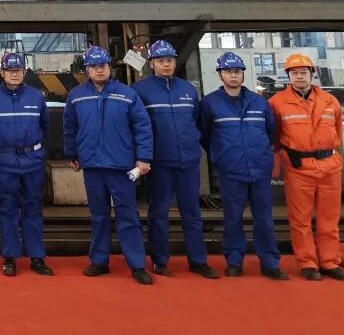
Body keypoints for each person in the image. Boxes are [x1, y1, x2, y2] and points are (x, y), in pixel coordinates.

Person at [63, 46, 155, 285]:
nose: (99, 70)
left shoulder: (127, 94)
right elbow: (70, 128)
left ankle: (137, 264)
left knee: (128, 215)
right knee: (99, 216)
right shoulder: (76, 96)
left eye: (103, 65)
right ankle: (99, 261)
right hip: (93, 166)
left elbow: (142, 127)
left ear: (109, 67)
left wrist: (144, 158)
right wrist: (72, 153)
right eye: (94, 66)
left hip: (122, 167)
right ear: (87, 69)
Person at [132, 40, 218, 279]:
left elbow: (197, 122)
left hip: (189, 163)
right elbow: (137, 126)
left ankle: (198, 261)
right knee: (158, 213)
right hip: (159, 164)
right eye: (161, 61)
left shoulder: (188, 90)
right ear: (151, 64)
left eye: (169, 60)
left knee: (192, 214)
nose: (166, 64)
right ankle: (160, 261)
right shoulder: (140, 91)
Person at [197, 52, 288, 280]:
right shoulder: (209, 103)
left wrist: (259, 152)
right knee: (233, 217)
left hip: (259, 169)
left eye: (237, 71)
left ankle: (270, 263)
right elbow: (204, 136)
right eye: (228, 72)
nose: (233, 76)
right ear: (220, 75)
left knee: (264, 218)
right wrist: (221, 155)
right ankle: (234, 261)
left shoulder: (259, 102)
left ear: (243, 74)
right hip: (230, 170)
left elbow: (271, 131)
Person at [268, 53, 343, 281]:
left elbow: (337, 131)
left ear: (312, 74)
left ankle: (330, 261)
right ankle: (308, 262)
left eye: (303, 72)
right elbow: (274, 135)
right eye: (294, 73)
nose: (299, 76)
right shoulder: (277, 103)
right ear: (288, 76)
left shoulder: (330, 101)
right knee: (300, 219)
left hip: (330, 167)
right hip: (298, 168)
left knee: (329, 218)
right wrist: (288, 156)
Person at [0, 52, 54, 277]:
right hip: (6, 162)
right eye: (9, 70)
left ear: (24, 72)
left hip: (32, 161)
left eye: (18, 70)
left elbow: (45, 127)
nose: (14, 74)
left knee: (33, 207)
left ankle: (37, 257)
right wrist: (3, 148)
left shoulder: (36, 97)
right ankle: (9, 257)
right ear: (2, 73)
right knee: (7, 208)